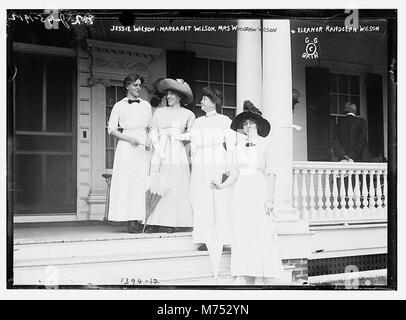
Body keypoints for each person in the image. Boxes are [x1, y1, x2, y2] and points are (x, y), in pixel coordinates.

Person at [210, 100, 285, 285]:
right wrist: (221, 186)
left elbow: (271, 173)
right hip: (241, 191)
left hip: (259, 190)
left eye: (251, 123)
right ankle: (243, 272)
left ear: (258, 125)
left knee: (260, 232)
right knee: (242, 231)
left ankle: (260, 274)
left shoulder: (266, 144)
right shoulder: (238, 147)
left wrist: (269, 200)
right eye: (245, 124)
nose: (248, 126)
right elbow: (235, 173)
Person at [178, 87, 234, 250]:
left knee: (218, 199)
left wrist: (229, 165)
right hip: (201, 162)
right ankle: (205, 238)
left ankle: (220, 239)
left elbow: (230, 145)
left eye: (204, 99)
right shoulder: (198, 121)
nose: (201, 101)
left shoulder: (224, 120)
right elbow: (192, 139)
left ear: (213, 101)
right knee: (201, 198)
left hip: (217, 159)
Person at [146, 78, 195, 233]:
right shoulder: (159, 112)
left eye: (173, 94)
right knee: (158, 183)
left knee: (176, 184)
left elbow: (193, 134)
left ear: (180, 96)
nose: (169, 97)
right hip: (160, 149)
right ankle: (155, 221)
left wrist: (180, 137)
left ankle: (172, 221)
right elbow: (153, 130)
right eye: (168, 94)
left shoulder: (188, 114)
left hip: (176, 150)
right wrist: (158, 148)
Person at [107, 74, 152, 233]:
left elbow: (150, 127)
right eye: (135, 85)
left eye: (140, 85)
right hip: (127, 146)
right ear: (127, 86)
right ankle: (130, 220)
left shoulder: (146, 105)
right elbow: (111, 130)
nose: (138, 88)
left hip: (142, 146)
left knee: (141, 182)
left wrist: (149, 142)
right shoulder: (119, 106)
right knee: (128, 181)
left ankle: (140, 218)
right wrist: (128, 139)